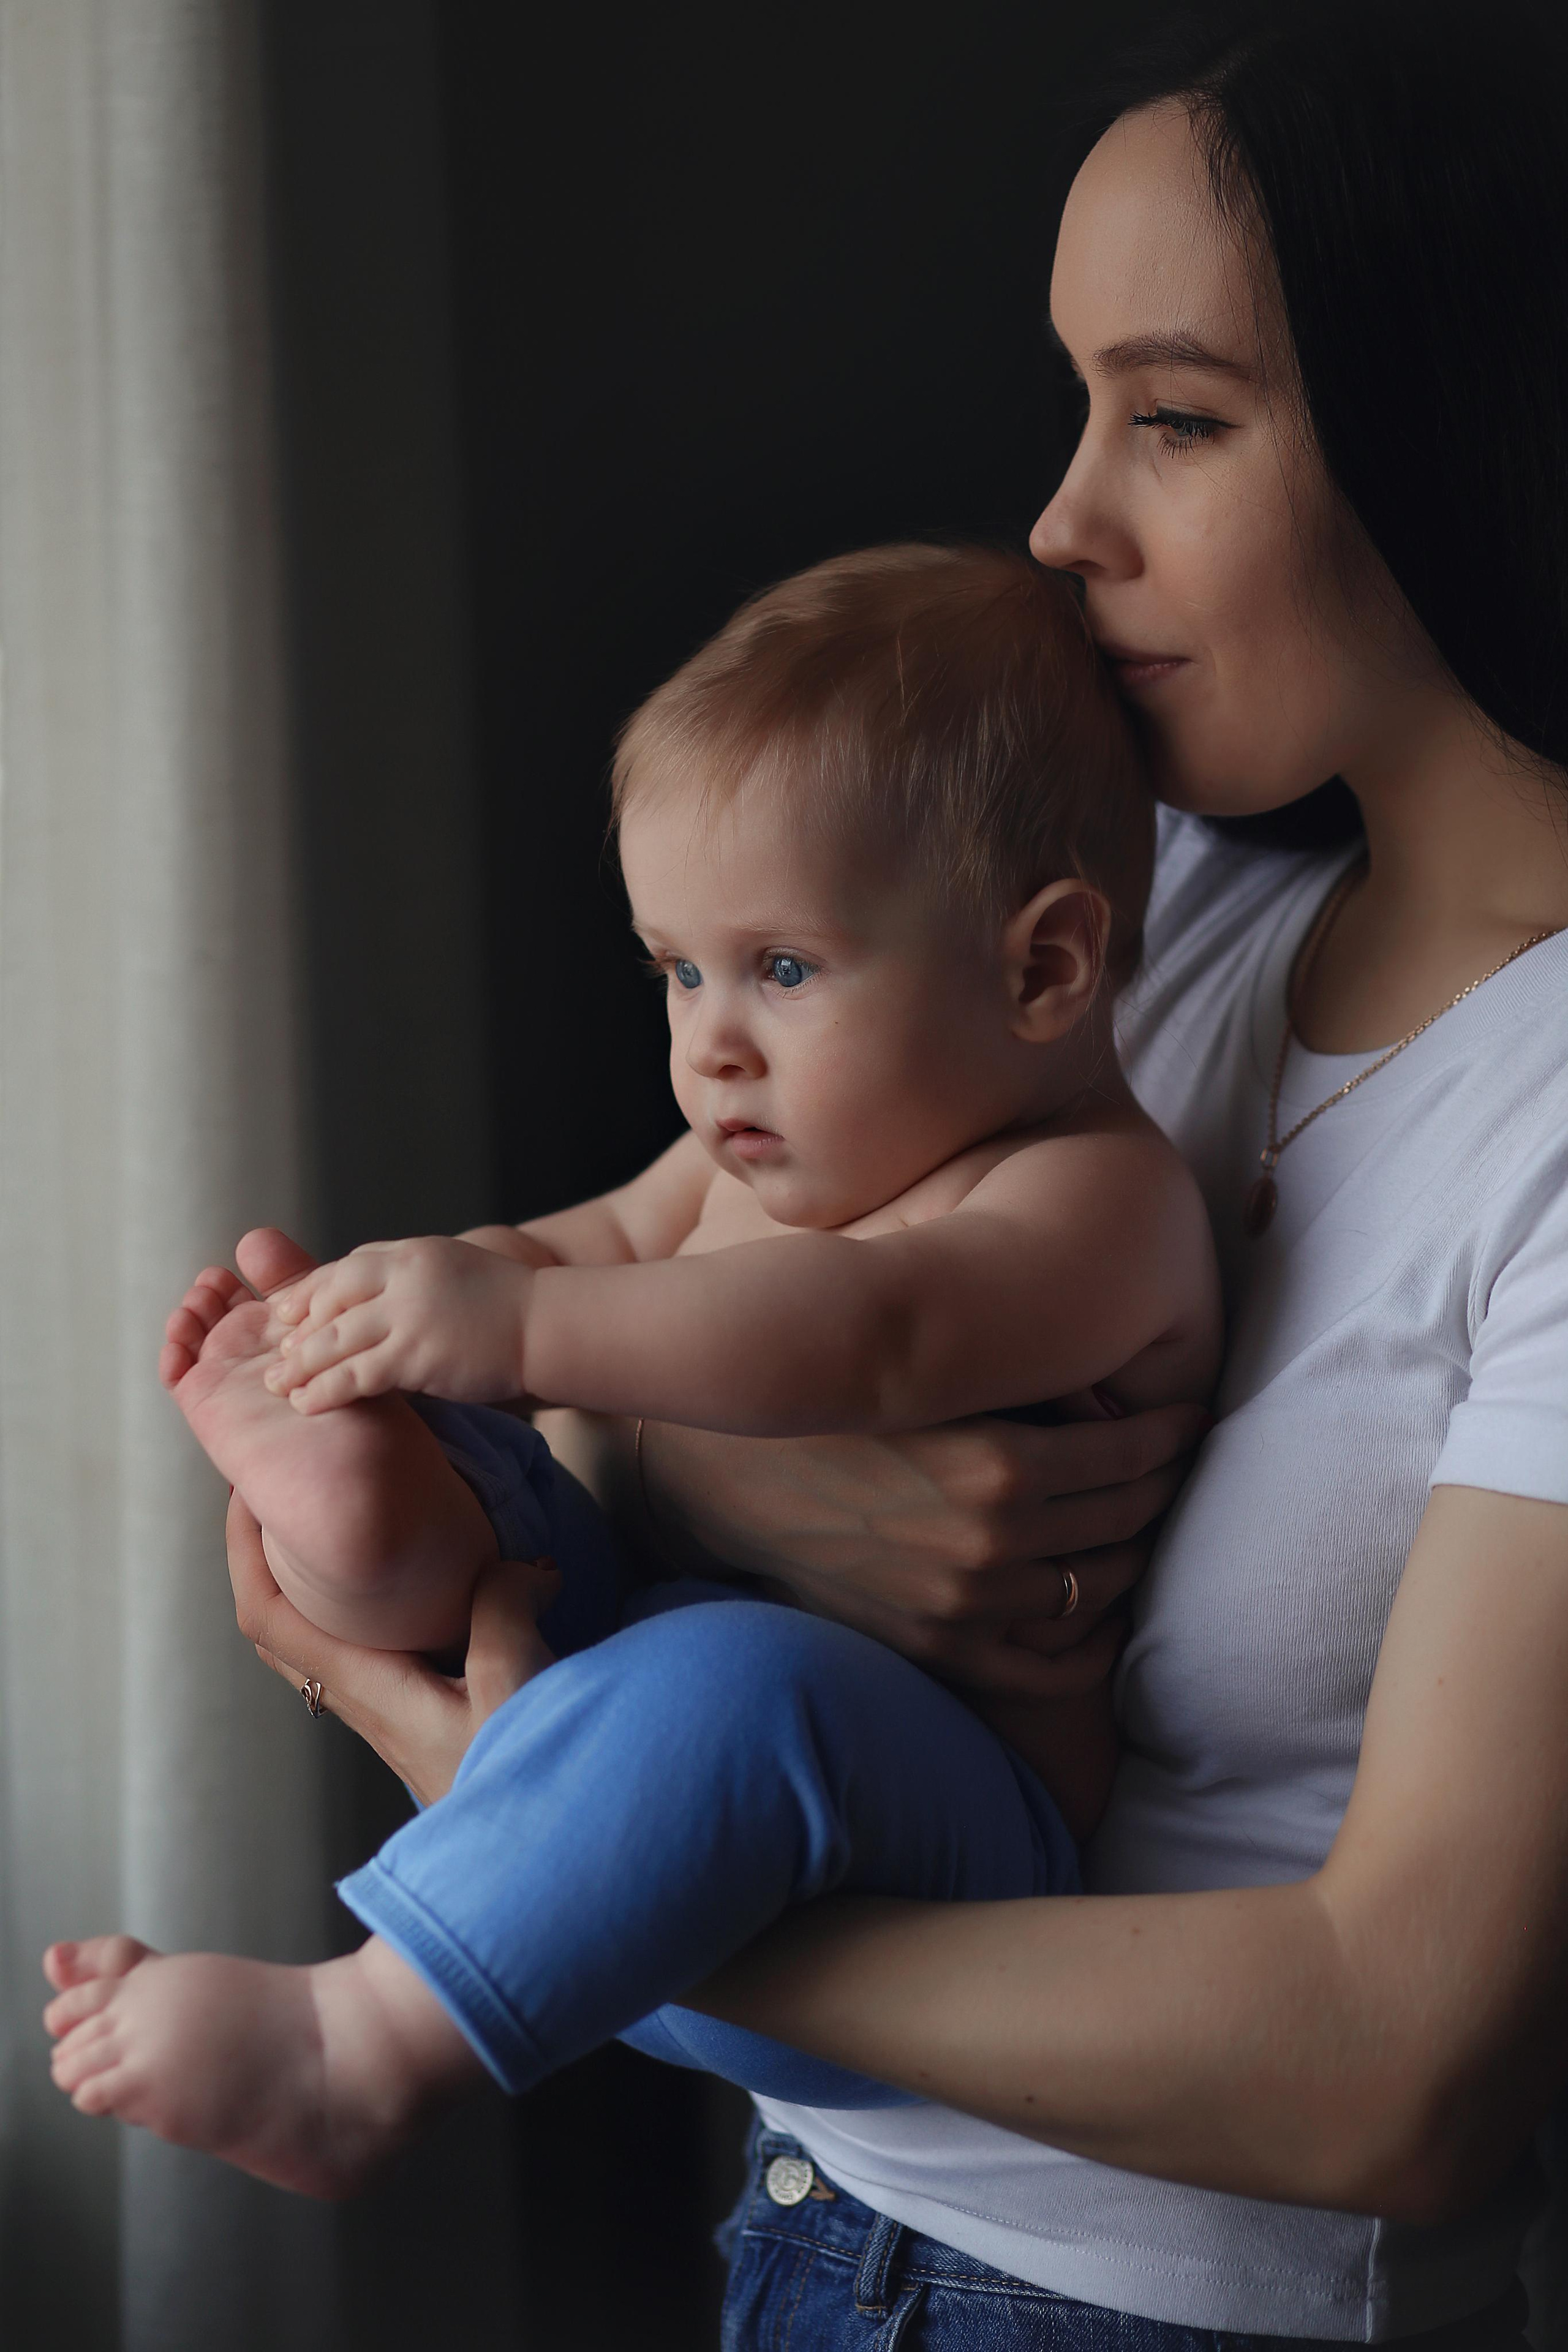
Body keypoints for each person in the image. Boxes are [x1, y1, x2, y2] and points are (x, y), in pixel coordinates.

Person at [161, 3, 1568, 2343]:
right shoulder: (1170, 905)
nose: (1061, 521)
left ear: (1468, 413)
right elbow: (665, 1263)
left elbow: (1390, 2075)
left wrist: (542, 1864)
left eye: (1181, 416)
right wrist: (678, 1487)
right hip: (819, 2234)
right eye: (1077, 402)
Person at [38, 548, 1221, 2165]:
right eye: (677, 969)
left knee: (738, 1683)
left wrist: (521, 1330)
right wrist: (425, 1315)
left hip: (928, 1845)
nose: (707, 1040)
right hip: (627, 1710)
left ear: (1042, 967)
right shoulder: (743, 1155)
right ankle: (379, 1526)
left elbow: (879, 1336)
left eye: (782, 969)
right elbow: (577, 1254)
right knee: (501, 1471)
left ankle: (358, 2040)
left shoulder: (1096, 1197)